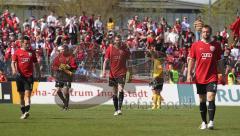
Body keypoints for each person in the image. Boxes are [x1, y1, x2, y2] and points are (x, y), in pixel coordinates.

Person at [187, 25, 224, 130]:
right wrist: (189, 74)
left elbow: (220, 62)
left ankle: (211, 122)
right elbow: (192, 60)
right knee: (202, 100)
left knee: (211, 97)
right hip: (199, 77)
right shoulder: (195, 45)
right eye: (203, 32)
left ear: (210, 33)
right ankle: (204, 122)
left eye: (207, 32)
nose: (205, 34)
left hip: (212, 76)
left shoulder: (216, 45)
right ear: (201, 33)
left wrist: (222, 75)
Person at [11, 35, 40, 119]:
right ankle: (23, 113)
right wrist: (13, 70)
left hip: (29, 77)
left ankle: (27, 112)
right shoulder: (17, 52)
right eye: (26, 43)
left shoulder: (32, 52)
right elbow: (12, 62)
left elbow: (36, 63)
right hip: (19, 77)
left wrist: (38, 73)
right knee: (21, 96)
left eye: (29, 43)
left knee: (27, 95)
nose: (28, 45)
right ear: (22, 43)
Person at [102, 35, 130, 116]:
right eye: (117, 40)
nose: (118, 41)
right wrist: (104, 71)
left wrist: (130, 71)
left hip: (122, 72)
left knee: (121, 89)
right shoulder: (110, 48)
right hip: (112, 73)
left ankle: (120, 109)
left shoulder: (124, 48)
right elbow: (105, 61)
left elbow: (128, 59)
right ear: (114, 41)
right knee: (114, 92)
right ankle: (116, 109)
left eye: (119, 39)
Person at [52, 45, 77, 110]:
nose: (62, 51)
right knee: (58, 91)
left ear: (67, 50)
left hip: (67, 77)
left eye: (64, 49)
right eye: (62, 49)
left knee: (65, 91)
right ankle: (64, 102)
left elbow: (74, 66)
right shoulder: (58, 57)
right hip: (59, 76)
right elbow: (54, 66)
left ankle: (66, 106)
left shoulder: (71, 57)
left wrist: (68, 67)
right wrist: (58, 68)